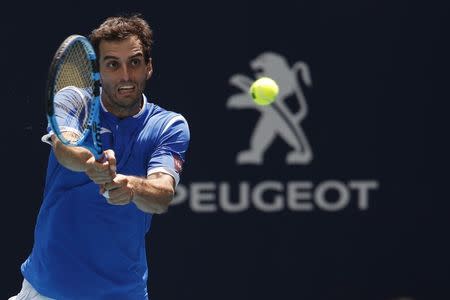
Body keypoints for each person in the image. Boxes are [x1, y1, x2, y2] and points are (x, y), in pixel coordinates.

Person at [10, 14, 190, 300]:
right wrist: (91, 165)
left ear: (149, 67)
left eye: (134, 62)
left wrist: (130, 187)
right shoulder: (75, 100)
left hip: (123, 294)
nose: (126, 76)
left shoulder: (168, 125)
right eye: (112, 65)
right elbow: (64, 148)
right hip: (46, 291)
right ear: (98, 71)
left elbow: (162, 195)